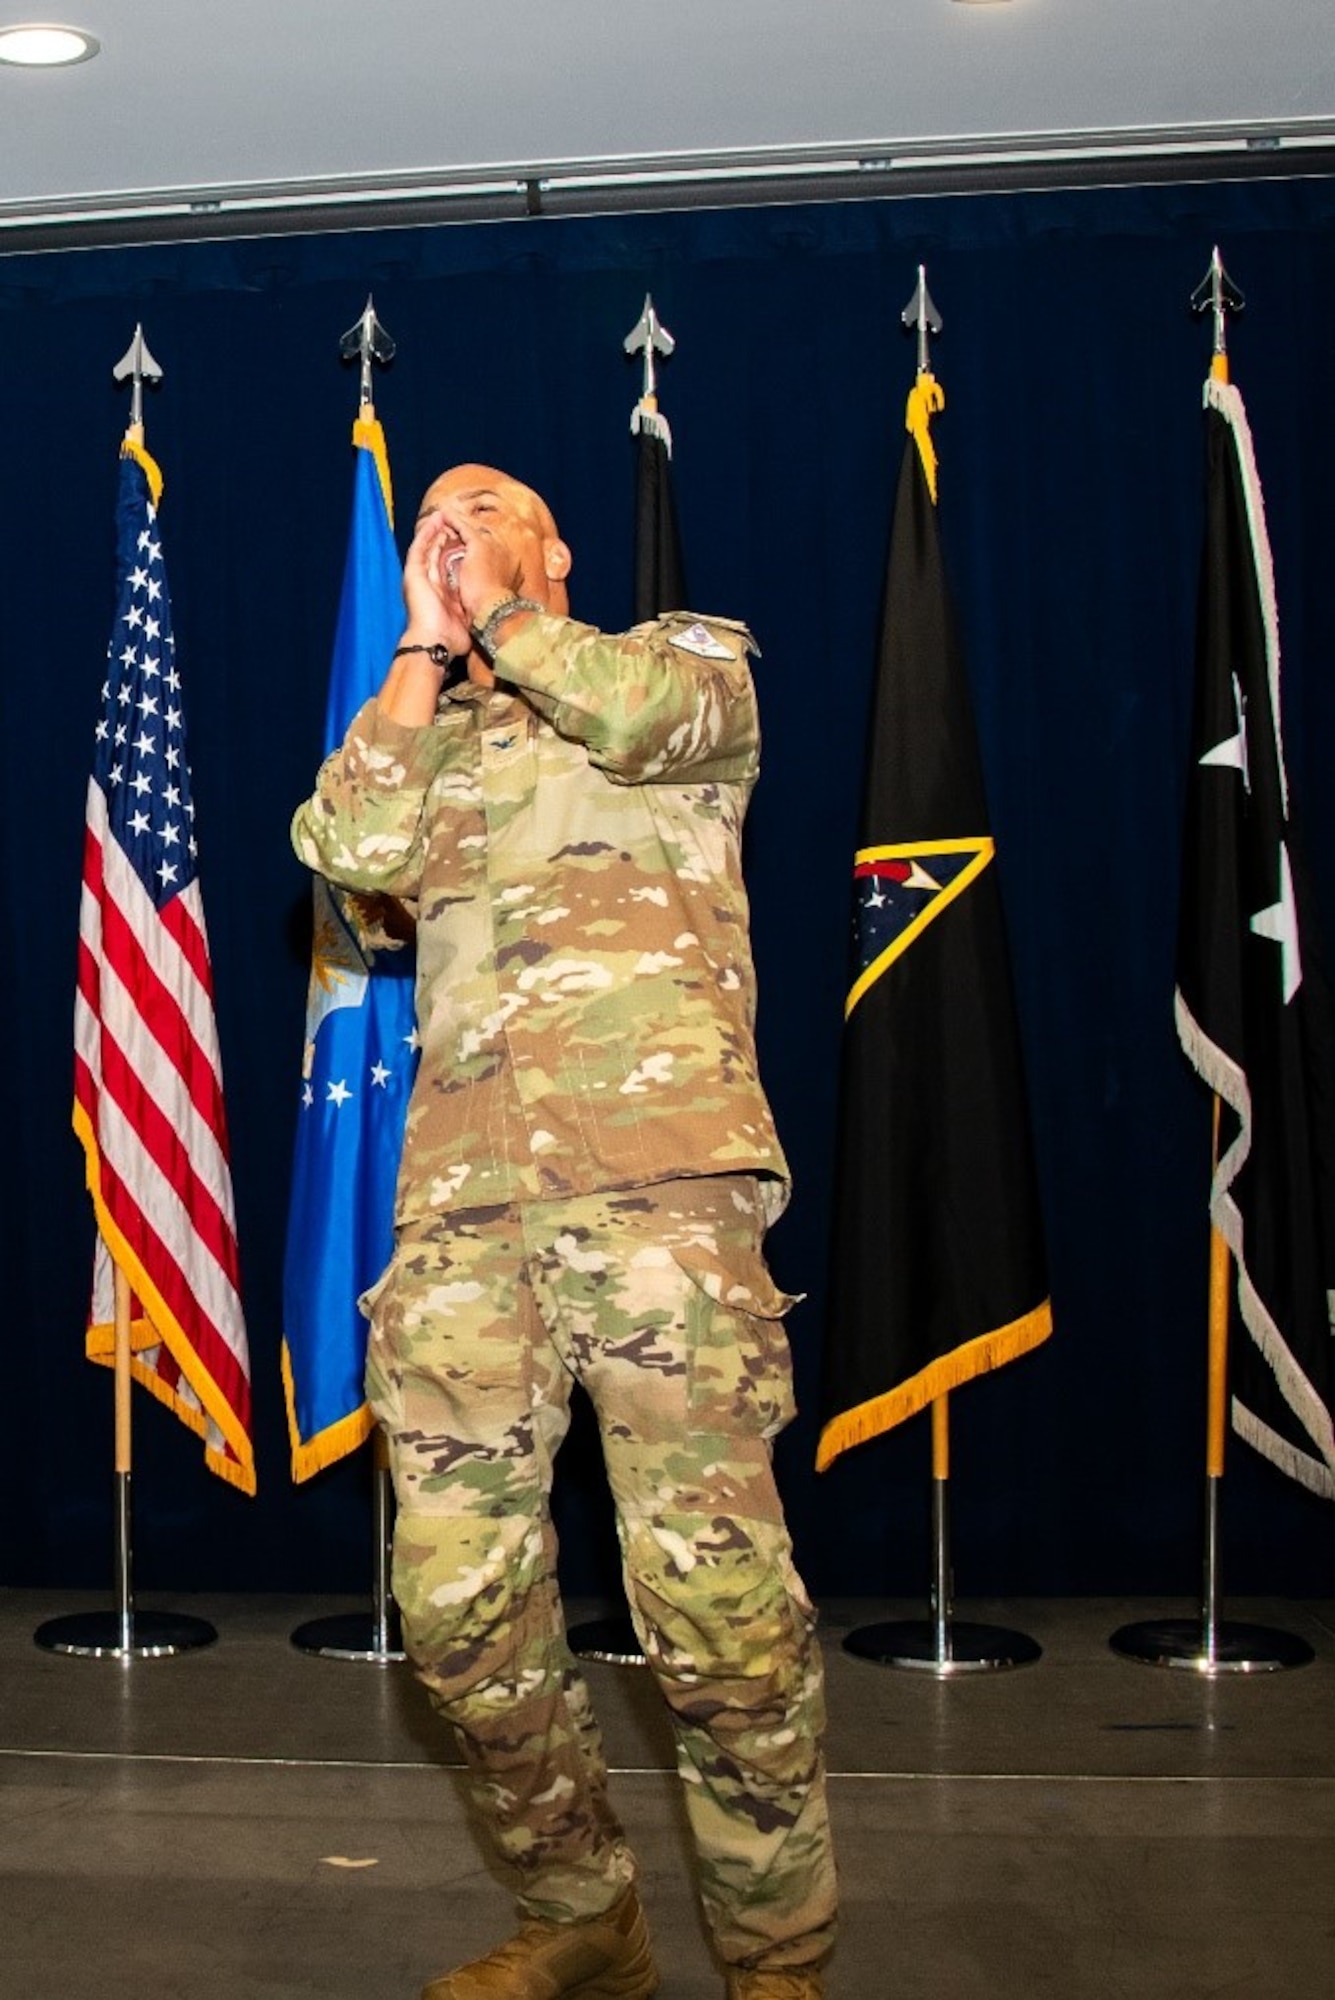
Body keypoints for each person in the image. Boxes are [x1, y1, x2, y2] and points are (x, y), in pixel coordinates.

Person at [292, 463, 837, 2000]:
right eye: (428, 523)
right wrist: (417, 649)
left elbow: (642, 719)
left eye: (480, 507)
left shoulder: (685, 663)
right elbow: (343, 855)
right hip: (466, 1218)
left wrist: (503, 618)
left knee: (718, 1617)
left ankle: (777, 1959)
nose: (446, 531)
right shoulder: (437, 737)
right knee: (455, 1607)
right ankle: (585, 1906)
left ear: (557, 546)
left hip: (663, 1199)